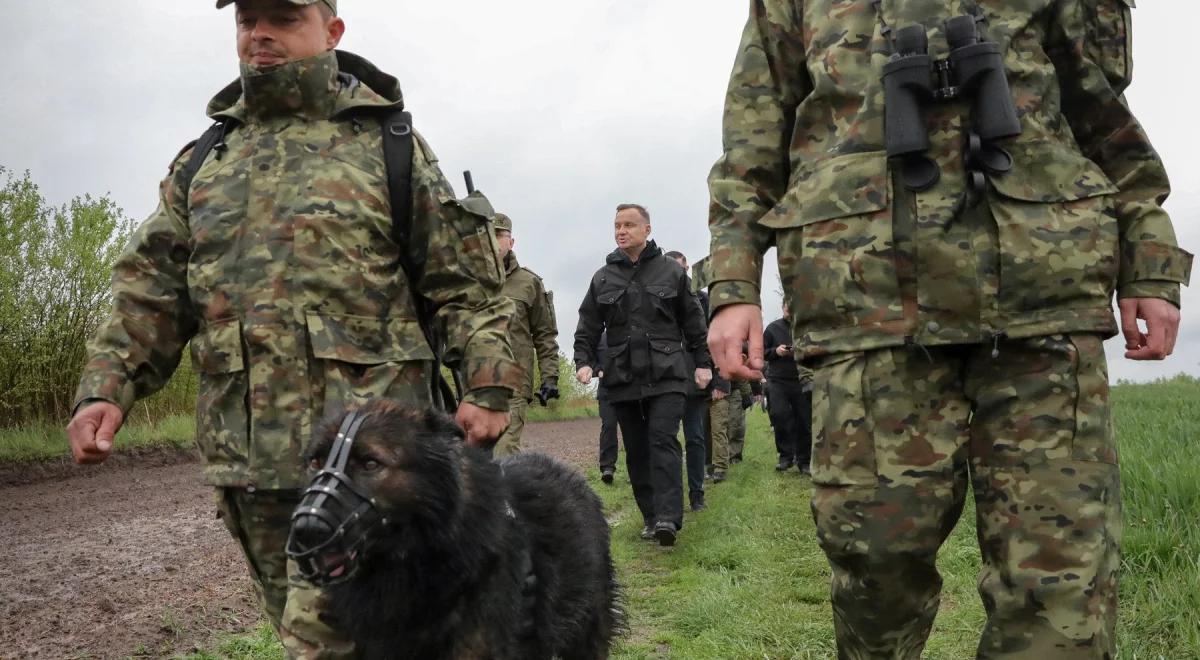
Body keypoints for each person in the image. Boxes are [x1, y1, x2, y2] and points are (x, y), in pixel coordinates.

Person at [706, 1, 1191, 656]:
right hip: (867, 308)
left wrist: (1151, 266)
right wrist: (733, 287)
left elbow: (1107, 125)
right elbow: (751, 149)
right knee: (874, 565)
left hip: (1041, 305)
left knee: (1062, 583)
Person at [65, 1, 519, 656]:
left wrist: (488, 381)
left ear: (332, 32)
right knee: (307, 633)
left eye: (284, 16)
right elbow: (151, 293)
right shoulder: (204, 163)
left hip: (372, 466)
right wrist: (104, 388)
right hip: (248, 461)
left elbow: (462, 285)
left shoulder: (386, 145)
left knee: (333, 642)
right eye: (249, 19)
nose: (262, 33)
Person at [574, 204, 712, 546]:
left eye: (629, 225)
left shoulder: (671, 273)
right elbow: (588, 325)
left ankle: (668, 518)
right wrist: (583, 361)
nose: (621, 231)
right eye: (617, 225)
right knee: (635, 450)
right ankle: (650, 516)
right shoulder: (603, 278)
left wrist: (704, 363)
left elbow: (694, 322)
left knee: (662, 440)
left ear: (647, 230)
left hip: (666, 374)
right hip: (622, 377)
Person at [491, 212, 560, 457]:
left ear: (511, 242)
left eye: (501, 235)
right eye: (489, 233)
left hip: (513, 383)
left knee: (503, 456)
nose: (495, 240)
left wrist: (550, 377)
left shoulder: (529, 283)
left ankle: (505, 496)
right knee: (471, 460)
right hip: (470, 383)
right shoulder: (467, 281)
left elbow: (545, 335)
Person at [665, 250, 710, 512]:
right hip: (666, 380)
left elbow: (708, 340)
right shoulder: (659, 298)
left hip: (694, 379)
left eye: (681, 269)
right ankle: (670, 497)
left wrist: (716, 380)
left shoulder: (702, 300)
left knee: (694, 437)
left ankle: (697, 493)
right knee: (666, 440)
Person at [763, 305, 812, 474]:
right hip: (778, 380)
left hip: (801, 379)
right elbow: (761, 352)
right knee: (780, 416)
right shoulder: (772, 328)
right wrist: (776, 351)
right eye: (786, 307)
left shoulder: (806, 328)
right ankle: (785, 457)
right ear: (783, 307)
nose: (789, 310)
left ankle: (804, 460)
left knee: (804, 420)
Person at [595, 330, 620, 484]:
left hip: (630, 390)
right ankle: (607, 467)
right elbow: (590, 359)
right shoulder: (599, 338)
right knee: (609, 426)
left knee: (633, 430)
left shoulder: (630, 333)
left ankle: (637, 468)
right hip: (606, 391)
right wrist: (598, 370)